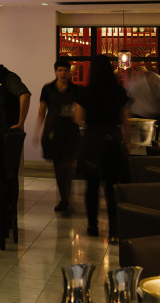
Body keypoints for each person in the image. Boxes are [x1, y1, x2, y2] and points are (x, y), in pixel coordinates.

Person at [74, 54, 129, 241]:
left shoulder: (86, 92)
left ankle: (93, 225)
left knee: (92, 185)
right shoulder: (118, 92)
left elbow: (79, 118)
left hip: (92, 141)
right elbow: (124, 121)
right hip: (112, 140)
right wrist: (126, 143)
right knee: (112, 187)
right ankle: (114, 229)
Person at [37, 58, 80, 214]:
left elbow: (79, 110)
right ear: (55, 72)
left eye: (66, 70)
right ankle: (64, 198)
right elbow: (42, 110)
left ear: (69, 72)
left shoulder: (75, 90)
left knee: (68, 166)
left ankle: (66, 198)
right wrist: (37, 130)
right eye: (60, 70)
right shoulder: (48, 89)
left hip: (71, 131)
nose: (63, 73)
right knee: (58, 167)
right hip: (53, 131)